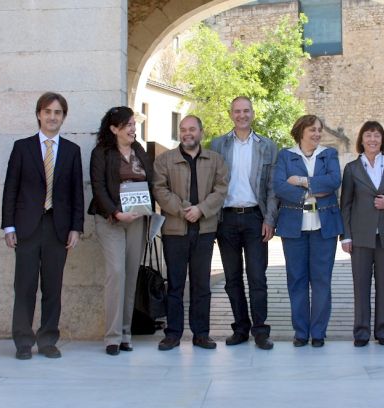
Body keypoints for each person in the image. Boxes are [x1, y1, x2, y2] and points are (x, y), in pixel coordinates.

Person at [2, 92, 84, 360]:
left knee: (53, 286)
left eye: (58, 112)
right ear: (39, 114)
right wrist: (8, 226)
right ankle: (23, 341)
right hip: (27, 227)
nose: (52, 117)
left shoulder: (72, 151)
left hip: (57, 228)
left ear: (63, 117)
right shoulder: (22, 147)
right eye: (48, 111)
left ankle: (48, 339)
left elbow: (76, 194)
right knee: (24, 286)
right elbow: (10, 189)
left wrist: (76, 228)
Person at [152, 115, 228, 351]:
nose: (187, 133)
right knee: (175, 284)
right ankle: (173, 333)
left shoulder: (215, 160)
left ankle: (201, 334)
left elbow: (221, 189)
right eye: (183, 129)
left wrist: (201, 210)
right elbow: (159, 190)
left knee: (201, 284)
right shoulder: (164, 160)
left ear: (201, 132)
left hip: (205, 230)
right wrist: (185, 209)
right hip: (175, 230)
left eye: (192, 129)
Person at [210, 97, 278, 350]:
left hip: (255, 218)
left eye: (246, 111)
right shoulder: (218, 144)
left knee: (258, 277)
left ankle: (260, 330)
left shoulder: (268, 146)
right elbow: (211, 184)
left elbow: (272, 187)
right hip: (226, 218)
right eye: (237, 111)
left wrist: (270, 219)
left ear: (253, 113)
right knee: (232, 278)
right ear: (231, 114)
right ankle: (240, 328)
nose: (242, 115)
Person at [88, 106, 154, 355]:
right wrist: (116, 212)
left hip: (137, 219)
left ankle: (126, 332)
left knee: (130, 275)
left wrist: (151, 211)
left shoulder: (139, 150)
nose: (132, 128)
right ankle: (112, 336)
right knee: (116, 273)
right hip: (111, 219)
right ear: (114, 129)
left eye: (133, 124)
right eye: (127, 125)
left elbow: (150, 180)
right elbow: (98, 187)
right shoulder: (101, 153)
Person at [273, 114, 343, 348]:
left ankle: (319, 332)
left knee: (322, 280)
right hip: (294, 227)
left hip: (325, 227)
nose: (317, 134)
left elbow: (334, 181)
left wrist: (301, 180)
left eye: (319, 130)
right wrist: (310, 191)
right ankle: (301, 332)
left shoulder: (329, 154)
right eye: (312, 129)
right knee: (297, 280)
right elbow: (280, 185)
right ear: (300, 131)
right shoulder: (285, 155)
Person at [340, 121, 384, 347]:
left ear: (382, 139)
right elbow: (346, 204)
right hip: (360, 236)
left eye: (377, 135)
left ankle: (382, 331)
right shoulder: (351, 169)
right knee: (361, 286)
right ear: (362, 140)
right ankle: (361, 332)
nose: (372, 140)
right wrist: (346, 236)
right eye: (368, 135)